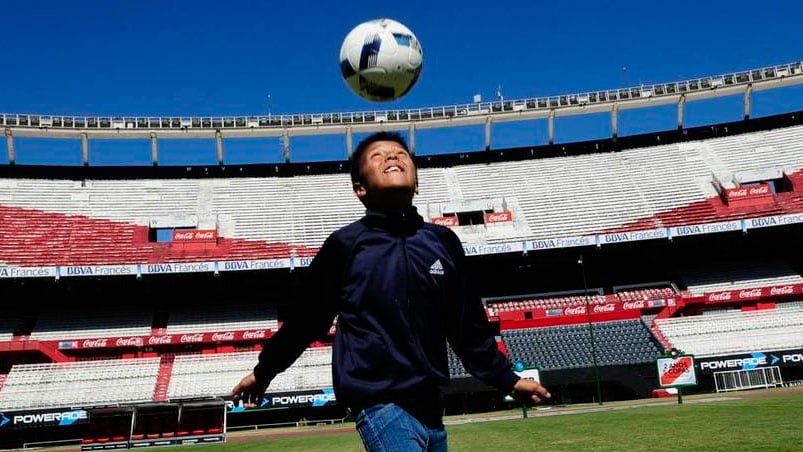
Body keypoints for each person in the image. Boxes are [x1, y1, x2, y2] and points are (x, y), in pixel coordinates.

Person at [231, 131, 550, 451]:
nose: (393, 157)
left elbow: (467, 326)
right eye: (378, 156)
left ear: (417, 183)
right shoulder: (345, 245)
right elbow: (305, 321)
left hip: (431, 407)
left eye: (400, 153)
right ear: (360, 188)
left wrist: (506, 378)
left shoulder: (443, 242)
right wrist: (264, 372)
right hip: (380, 402)